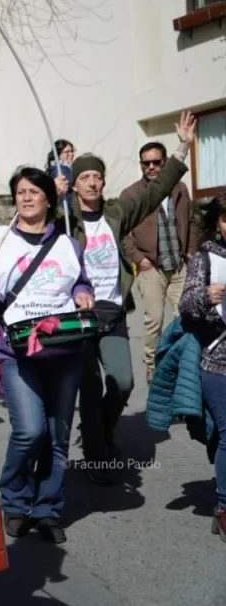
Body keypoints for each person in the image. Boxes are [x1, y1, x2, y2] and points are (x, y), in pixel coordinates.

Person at [0, 167, 95, 544]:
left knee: (57, 435)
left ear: (48, 199)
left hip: (65, 350)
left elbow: (81, 280)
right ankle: (13, 500)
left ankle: (47, 509)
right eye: (20, 193)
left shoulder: (69, 244)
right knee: (29, 430)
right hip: (17, 351)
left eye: (34, 192)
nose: (25, 198)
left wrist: (82, 294)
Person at [69, 112, 194, 484]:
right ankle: (96, 455)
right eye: (84, 177)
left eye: (97, 176)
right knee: (89, 389)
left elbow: (155, 193)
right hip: (77, 317)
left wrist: (183, 149)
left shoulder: (116, 212)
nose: (92, 182)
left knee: (123, 382)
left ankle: (106, 431)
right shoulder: (63, 220)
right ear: (75, 186)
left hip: (111, 312)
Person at [121, 138, 201, 383]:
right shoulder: (131, 193)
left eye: (156, 162)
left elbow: (192, 219)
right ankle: (152, 366)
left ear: (165, 162)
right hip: (151, 268)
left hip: (178, 266)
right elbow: (123, 232)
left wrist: (190, 250)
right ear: (141, 165)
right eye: (147, 163)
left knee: (185, 318)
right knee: (154, 320)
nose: (152, 167)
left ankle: (181, 364)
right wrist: (138, 258)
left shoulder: (180, 188)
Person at [179, 190, 226, 542]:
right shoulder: (206, 259)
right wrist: (204, 296)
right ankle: (224, 507)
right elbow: (186, 305)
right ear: (218, 224)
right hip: (218, 360)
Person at [46, 138, 76, 213]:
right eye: (67, 152)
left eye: (72, 151)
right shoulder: (61, 170)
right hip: (64, 208)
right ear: (58, 154)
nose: (71, 154)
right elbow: (71, 185)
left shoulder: (64, 167)